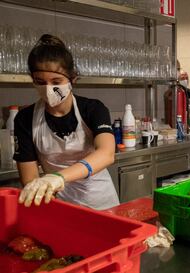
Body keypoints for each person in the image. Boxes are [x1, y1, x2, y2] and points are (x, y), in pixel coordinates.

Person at [14, 34, 119, 210]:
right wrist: (42, 189)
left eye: (56, 82)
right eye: (40, 82)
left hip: (100, 202)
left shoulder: (93, 109)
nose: (48, 89)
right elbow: (30, 178)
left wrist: (58, 177)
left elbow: (107, 153)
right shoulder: (25, 119)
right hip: (59, 206)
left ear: (72, 79)